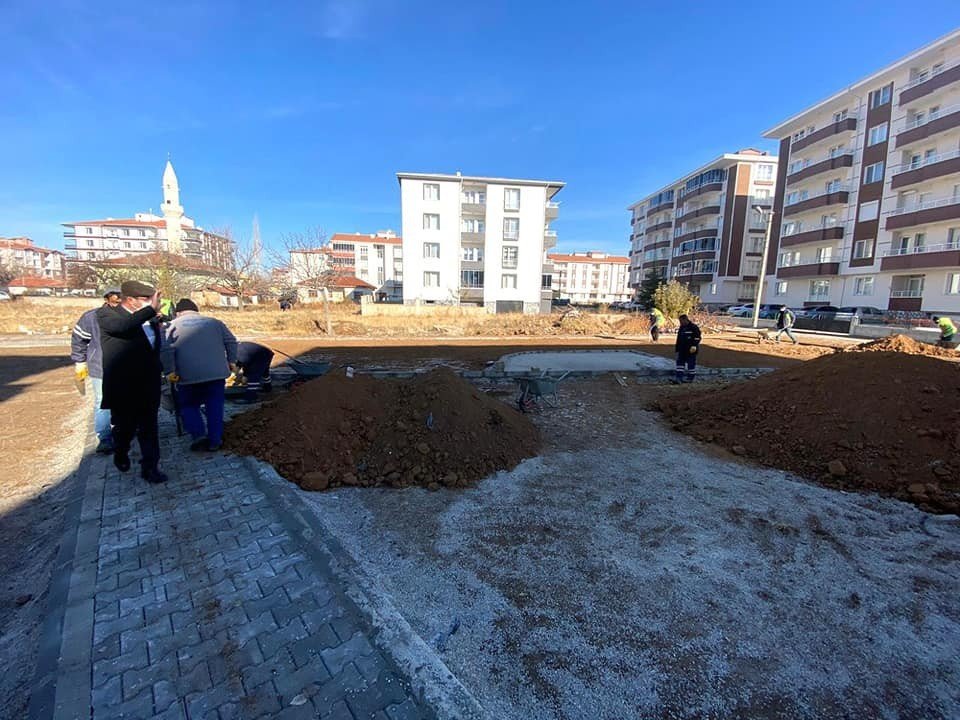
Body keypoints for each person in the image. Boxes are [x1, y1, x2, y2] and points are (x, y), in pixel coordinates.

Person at [97, 280, 167, 483]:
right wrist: (149, 311)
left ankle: (150, 467)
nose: (151, 303)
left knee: (149, 427)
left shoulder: (150, 320)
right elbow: (122, 327)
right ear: (130, 300)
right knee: (125, 427)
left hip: (148, 384)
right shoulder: (107, 315)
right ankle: (121, 451)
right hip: (124, 386)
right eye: (146, 299)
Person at [163, 299, 238, 451]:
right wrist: (232, 361)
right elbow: (231, 341)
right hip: (216, 374)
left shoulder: (171, 326)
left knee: (189, 406)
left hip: (187, 375)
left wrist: (169, 371)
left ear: (178, 312)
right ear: (196, 310)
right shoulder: (215, 323)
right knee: (215, 406)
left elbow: (166, 350)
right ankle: (215, 440)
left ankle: (198, 436)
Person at [70, 289, 120, 453]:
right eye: (114, 299)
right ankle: (104, 438)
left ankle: (123, 430)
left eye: (120, 299)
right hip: (100, 366)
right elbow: (79, 340)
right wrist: (79, 361)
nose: (117, 302)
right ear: (106, 299)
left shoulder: (129, 316)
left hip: (124, 366)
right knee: (102, 402)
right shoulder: (91, 318)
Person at [673, 314, 702, 384]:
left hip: (691, 350)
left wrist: (694, 345)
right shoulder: (682, 328)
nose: (680, 323)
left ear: (686, 319)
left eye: (681, 321)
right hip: (682, 350)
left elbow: (698, 337)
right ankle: (679, 378)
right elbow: (679, 339)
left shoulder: (693, 327)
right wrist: (677, 349)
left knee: (691, 365)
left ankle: (690, 378)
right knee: (680, 364)